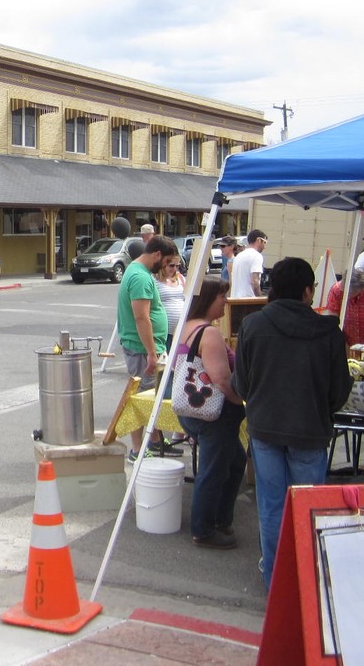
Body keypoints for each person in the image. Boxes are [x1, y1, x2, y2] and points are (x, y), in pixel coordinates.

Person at [232, 256, 352, 589]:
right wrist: (321, 412)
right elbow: (339, 389)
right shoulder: (328, 331)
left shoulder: (253, 325)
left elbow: (241, 383)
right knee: (310, 506)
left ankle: (276, 580)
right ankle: (307, 579)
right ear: (307, 290)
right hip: (310, 431)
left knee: (271, 506)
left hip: (265, 427)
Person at [175, 278, 246, 550]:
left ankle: (219, 519)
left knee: (234, 461)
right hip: (214, 413)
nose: (226, 302)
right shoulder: (209, 333)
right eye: (221, 297)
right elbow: (222, 380)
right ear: (207, 300)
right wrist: (239, 401)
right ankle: (204, 529)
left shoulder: (186, 328)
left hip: (193, 411)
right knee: (214, 470)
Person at [118, 234, 180, 456]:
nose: (166, 268)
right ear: (157, 255)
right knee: (139, 400)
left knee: (152, 398)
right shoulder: (142, 278)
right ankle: (138, 450)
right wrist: (152, 353)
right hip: (142, 349)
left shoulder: (137, 272)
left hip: (144, 348)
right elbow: (141, 318)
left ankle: (152, 442)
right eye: (166, 262)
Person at [154, 254, 186, 346]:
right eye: (171, 265)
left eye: (177, 266)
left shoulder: (180, 278)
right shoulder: (154, 280)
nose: (174, 269)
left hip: (181, 331)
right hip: (164, 333)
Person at [230, 229, 266, 297]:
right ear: (258, 240)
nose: (264, 247)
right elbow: (255, 281)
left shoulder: (239, 256)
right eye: (264, 242)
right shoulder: (257, 256)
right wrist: (260, 299)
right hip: (247, 301)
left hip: (234, 299)